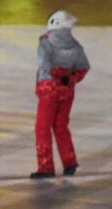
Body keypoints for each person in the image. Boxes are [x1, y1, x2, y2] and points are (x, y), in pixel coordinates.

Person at [31, 9, 89, 179]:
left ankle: (46, 167)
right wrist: (71, 78)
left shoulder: (46, 42)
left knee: (42, 128)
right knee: (61, 126)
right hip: (67, 91)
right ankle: (69, 162)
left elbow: (45, 65)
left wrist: (59, 74)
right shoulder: (76, 46)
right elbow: (84, 68)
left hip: (49, 89)